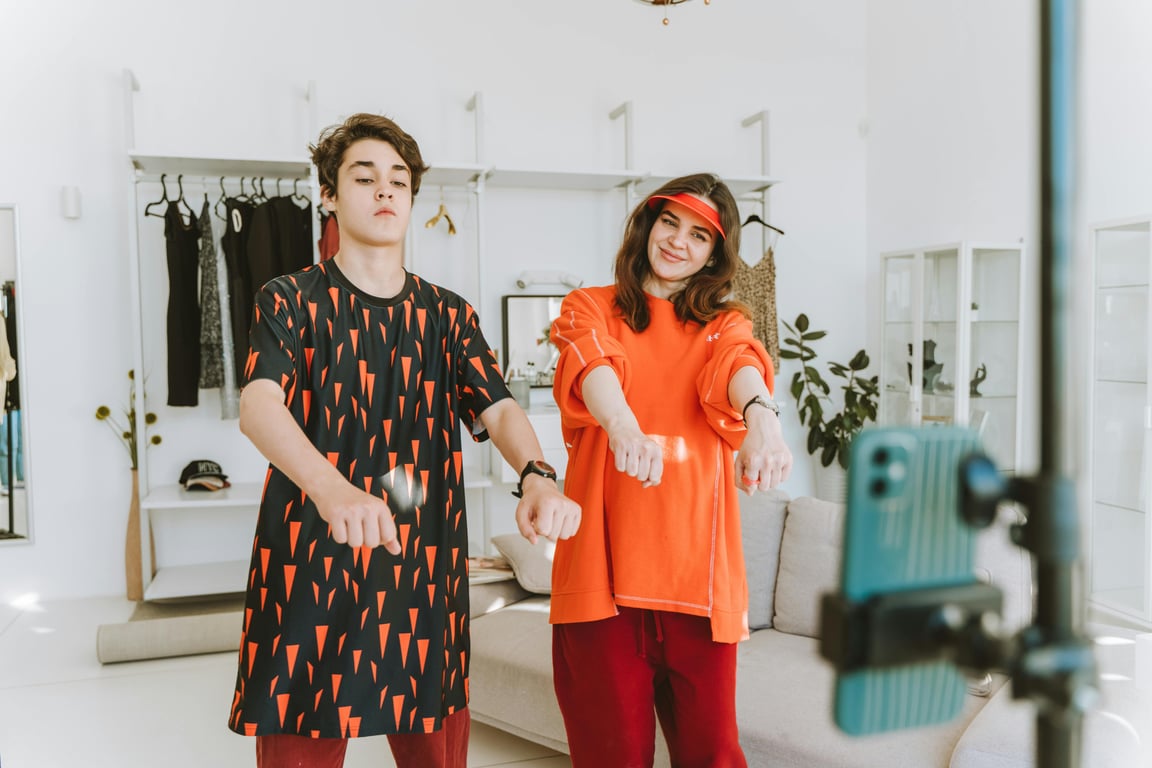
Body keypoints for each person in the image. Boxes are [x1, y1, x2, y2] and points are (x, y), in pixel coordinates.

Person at [227, 113, 581, 768]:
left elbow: (497, 408)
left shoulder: (448, 315)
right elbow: (258, 405)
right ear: (329, 194)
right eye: (365, 177)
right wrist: (333, 490)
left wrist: (537, 473)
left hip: (420, 568)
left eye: (399, 180)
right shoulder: (289, 300)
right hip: (311, 559)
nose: (385, 192)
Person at [548, 173, 793, 767]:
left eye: (699, 236)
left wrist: (763, 418)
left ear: (716, 254)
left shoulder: (723, 325)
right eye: (669, 223)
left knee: (713, 756)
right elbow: (591, 364)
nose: (678, 242)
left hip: (698, 586)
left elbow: (739, 366)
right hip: (601, 583)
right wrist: (624, 426)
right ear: (647, 225)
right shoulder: (591, 307)